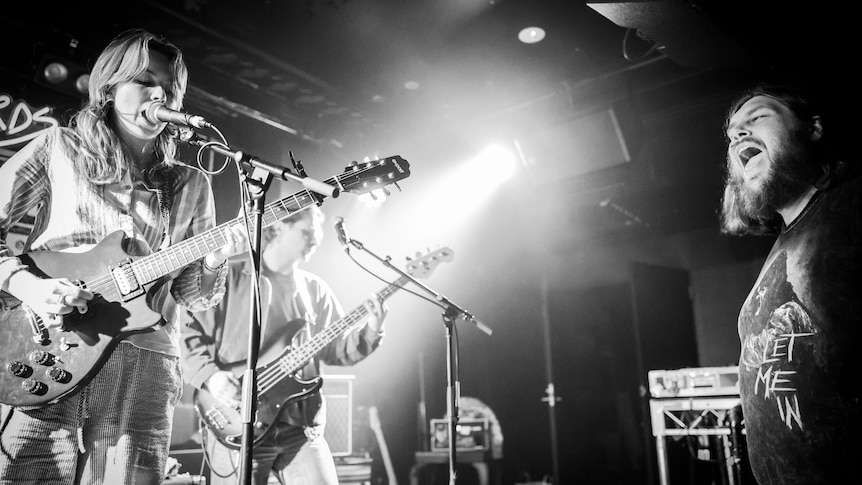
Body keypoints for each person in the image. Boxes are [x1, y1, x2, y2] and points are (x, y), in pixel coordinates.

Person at [0, 29, 245, 484]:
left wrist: (214, 260)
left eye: (169, 87)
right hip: (50, 342)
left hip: (147, 361)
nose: (159, 93)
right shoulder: (60, 148)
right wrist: (31, 287)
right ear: (109, 87)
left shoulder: (192, 183)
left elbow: (191, 295)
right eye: (144, 79)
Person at [181, 204, 388, 485]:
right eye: (306, 231)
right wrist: (211, 377)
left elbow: (338, 350)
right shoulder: (228, 278)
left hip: (300, 428)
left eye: (317, 232)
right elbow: (185, 335)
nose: (315, 238)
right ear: (278, 227)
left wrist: (373, 329)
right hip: (238, 422)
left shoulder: (315, 290)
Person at [721, 82, 862, 484]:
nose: (739, 135)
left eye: (758, 117)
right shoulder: (783, 244)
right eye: (733, 133)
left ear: (813, 128)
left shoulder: (851, 201)